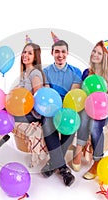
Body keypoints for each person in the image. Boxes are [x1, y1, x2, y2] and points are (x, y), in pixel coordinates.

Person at [0, 37, 44, 159]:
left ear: (35, 57)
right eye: (24, 52)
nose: (25, 55)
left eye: (29, 53)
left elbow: (38, 99)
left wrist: (18, 107)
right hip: (20, 109)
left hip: (30, 113)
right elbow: (18, 92)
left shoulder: (35, 74)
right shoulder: (24, 74)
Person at [71, 37, 108, 180]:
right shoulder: (87, 72)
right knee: (85, 115)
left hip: (104, 111)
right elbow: (82, 94)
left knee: (95, 124)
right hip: (87, 109)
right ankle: (78, 150)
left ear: (104, 57)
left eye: (99, 53)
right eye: (94, 51)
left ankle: (97, 161)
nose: (95, 55)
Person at [41, 33, 82, 186]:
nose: (60, 55)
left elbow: (72, 96)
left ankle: (53, 164)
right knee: (47, 122)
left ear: (67, 53)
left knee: (71, 122)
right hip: (51, 109)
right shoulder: (45, 72)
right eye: (57, 51)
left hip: (67, 107)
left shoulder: (76, 72)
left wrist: (64, 111)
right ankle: (63, 169)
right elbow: (46, 94)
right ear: (52, 53)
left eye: (63, 51)